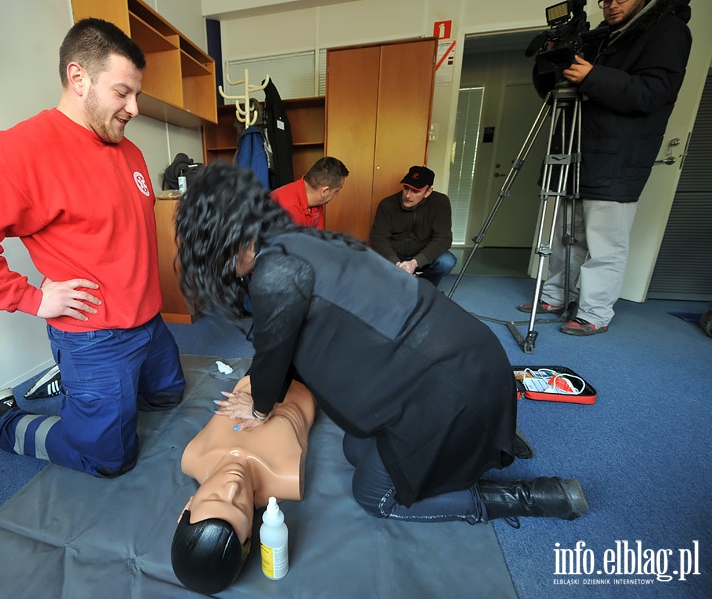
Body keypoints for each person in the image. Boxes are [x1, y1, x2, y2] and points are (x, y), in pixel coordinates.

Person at [175, 162, 587, 529]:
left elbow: (275, 353)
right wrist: (261, 389)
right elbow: (284, 347)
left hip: (450, 383)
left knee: (374, 495)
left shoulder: (274, 273)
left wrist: (259, 404)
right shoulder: (299, 243)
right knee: (357, 444)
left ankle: (530, 497)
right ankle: (479, 438)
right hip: (474, 360)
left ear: (222, 242)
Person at [0, 19, 185, 478]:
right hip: (96, 336)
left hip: (149, 322)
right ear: (79, 78)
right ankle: (0, 419)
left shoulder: (129, 151)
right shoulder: (21, 152)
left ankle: (73, 385)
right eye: (122, 93)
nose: (134, 107)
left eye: (136, 94)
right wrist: (32, 298)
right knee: (108, 460)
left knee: (168, 397)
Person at [520, 0, 692, 336]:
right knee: (565, 235)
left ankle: (594, 312)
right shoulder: (600, 36)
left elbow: (653, 92)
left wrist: (593, 76)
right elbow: (556, 92)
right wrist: (553, 59)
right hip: (574, 149)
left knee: (605, 243)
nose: (612, 5)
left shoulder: (668, 30)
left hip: (617, 156)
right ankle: (556, 296)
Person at [171, 375, 316, 594]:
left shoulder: (193, 456)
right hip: (308, 375)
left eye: (215, 497)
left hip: (259, 370)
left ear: (186, 508)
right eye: (238, 506)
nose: (233, 486)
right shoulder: (286, 478)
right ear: (250, 529)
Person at [369, 165, 457, 288]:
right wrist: (396, 263)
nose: (408, 195)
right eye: (406, 188)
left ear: (428, 192)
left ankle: (424, 287)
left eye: (415, 191)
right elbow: (378, 239)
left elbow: (443, 239)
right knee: (369, 260)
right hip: (395, 255)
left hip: (422, 255)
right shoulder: (387, 204)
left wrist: (415, 262)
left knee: (447, 262)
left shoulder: (440, 203)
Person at [269, 156, 349, 229]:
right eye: (336, 191)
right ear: (324, 191)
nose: (337, 194)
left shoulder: (316, 201)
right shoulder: (288, 209)